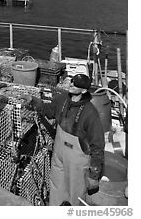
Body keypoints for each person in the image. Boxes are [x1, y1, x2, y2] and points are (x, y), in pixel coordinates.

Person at [28, 74, 105, 206]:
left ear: (84, 90)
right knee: (56, 185)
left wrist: (94, 176)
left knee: (75, 193)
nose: (71, 84)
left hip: (77, 160)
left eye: (76, 84)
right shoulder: (62, 99)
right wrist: (34, 101)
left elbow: (97, 146)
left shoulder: (90, 113)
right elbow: (49, 110)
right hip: (59, 153)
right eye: (72, 81)